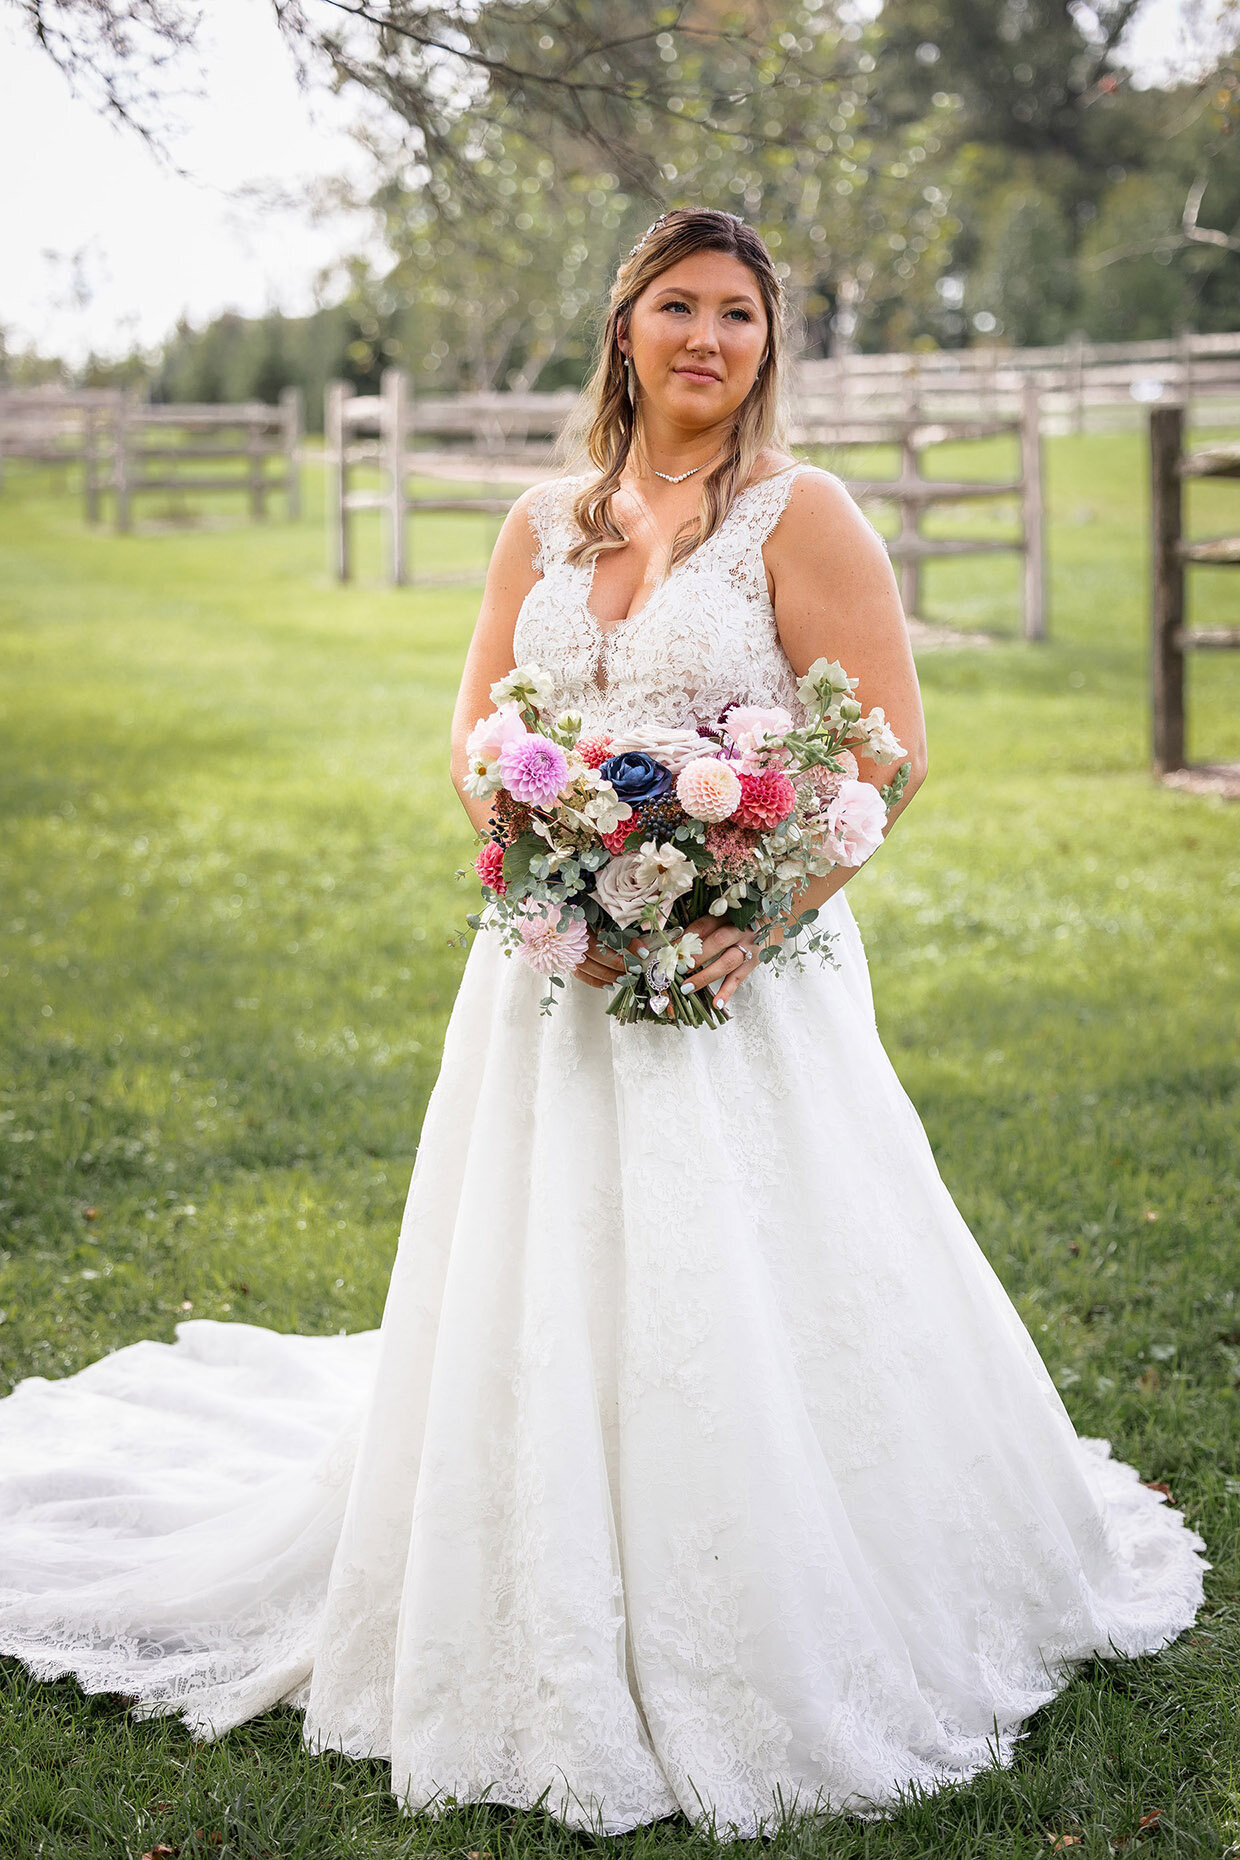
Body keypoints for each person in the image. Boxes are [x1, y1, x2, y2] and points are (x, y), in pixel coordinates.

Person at [0, 209, 1208, 1840]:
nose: (709, 337)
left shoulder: (806, 514)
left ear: (769, 346)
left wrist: (743, 913)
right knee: (542, 1277)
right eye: (678, 306)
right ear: (624, 326)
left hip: (746, 985)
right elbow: (479, 731)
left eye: (740, 314)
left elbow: (890, 756)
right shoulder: (541, 520)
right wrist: (544, 867)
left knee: (742, 1287)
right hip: (546, 983)